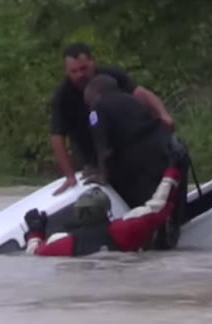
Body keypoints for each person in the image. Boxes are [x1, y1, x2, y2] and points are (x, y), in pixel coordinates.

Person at [82, 73, 192, 249]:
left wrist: (103, 173)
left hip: (150, 164)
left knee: (151, 218)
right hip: (173, 153)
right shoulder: (132, 101)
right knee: (173, 213)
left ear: (96, 92)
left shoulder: (98, 108)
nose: (88, 105)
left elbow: (104, 148)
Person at [50, 42, 174, 196]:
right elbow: (57, 136)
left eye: (83, 69)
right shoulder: (63, 96)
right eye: (73, 71)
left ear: (92, 62)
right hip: (89, 149)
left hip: (125, 143)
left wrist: (164, 115)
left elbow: (140, 93)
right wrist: (69, 175)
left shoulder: (110, 77)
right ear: (66, 71)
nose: (79, 75)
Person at [22, 167, 181, 257]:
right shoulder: (127, 229)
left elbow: (35, 254)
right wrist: (172, 172)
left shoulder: (63, 243)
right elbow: (159, 207)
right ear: (107, 211)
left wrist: (35, 232)